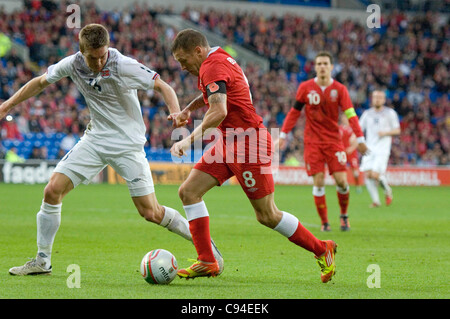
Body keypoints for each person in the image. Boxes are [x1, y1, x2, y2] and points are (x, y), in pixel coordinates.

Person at [0, 24, 222, 276]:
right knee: (52, 191)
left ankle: (205, 248)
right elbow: (40, 82)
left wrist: (174, 110)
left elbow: (163, 86)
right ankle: (42, 261)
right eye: (92, 57)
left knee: (150, 212)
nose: (98, 62)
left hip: (128, 145)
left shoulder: (122, 64)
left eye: (103, 55)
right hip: (95, 140)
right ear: (81, 52)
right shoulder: (71, 64)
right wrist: (7, 106)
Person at [169, 29, 337, 283]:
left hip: (248, 144)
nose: (182, 67)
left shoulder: (211, 66)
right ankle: (206, 260)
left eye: (183, 60)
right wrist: (187, 109)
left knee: (267, 215)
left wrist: (188, 140)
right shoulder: (218, 58)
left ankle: (322, 249)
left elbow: (219, 111)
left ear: (198, 51)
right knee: (188, 192)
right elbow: (215, 94)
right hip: (229, 141)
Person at [279, 51, 369, 232]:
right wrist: (283, 135)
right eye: (319, 63)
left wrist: (360, 138)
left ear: (331, 67)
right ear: (315, 66)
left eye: (325, 63)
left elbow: (350, 114)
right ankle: (325, 222)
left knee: (342, 182)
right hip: (312, 142)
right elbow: (294, 112)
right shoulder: (305, 87)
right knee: (318, 182)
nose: (322, 66)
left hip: (334, 141)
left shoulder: (340, 89)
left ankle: (344, 216)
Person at [359, 90, 400, 207]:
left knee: (375, 175)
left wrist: (386, 133)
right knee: (368, 175)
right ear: (372, 99)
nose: (377, 99)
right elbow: (359, 128)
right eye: (375, 97)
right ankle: (376, 201)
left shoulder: (390, 113)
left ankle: (388, 191)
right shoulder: (367, 114)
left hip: (382, 149)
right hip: (369, 148)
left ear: (384, 100)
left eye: (379, 97)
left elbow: (397, 130)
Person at [339, 114, 363, 194]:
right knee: (341, 170)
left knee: (355, 172)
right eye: (343, 117)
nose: (344, 119)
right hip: (342, 152)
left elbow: (356, 141)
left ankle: (358, 186)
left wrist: (351, 148)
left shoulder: (353, 129)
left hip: (351, 153)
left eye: (345, 117)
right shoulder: (339, 128)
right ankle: (344, 185)